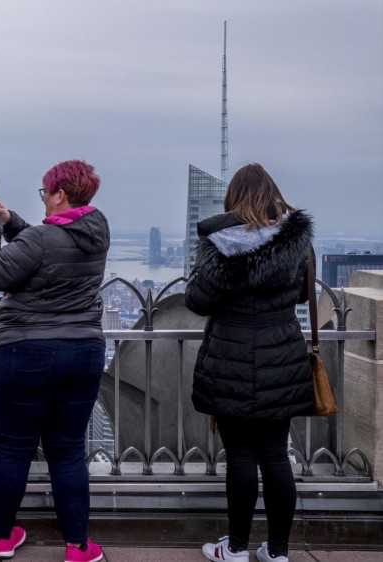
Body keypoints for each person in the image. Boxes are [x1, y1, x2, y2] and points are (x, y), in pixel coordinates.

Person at [0, 159, 110, 562]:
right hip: (83, 352)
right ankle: (79, 546)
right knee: (67, 451)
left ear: (60, 194)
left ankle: (2, 538)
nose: (44, 199)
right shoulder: (97, 232)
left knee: (14, 449)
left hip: (26, 352)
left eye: (45, 194)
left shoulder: (41, 241)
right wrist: (11, 218)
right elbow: (50, 246)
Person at [185, 163, 314, 562]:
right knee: (276, 455)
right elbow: (305, 297)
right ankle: (277, 553)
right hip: (282, 354)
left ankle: (236, 549)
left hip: (231, 355)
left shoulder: (218, 242)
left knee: (240, 455)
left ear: (233, 198)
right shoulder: (297, 240)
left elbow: (197, 301)